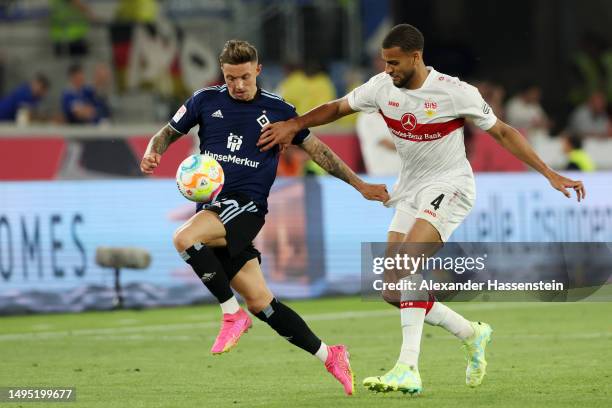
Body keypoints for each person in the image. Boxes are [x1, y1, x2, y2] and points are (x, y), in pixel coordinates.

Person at [258, 24, 585, 395]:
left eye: (394, 62)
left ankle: (407, 368)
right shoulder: (382, 87)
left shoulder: (454, 92)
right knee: (390, 288)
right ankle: (471, 333)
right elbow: (337, 107)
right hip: (410, 189)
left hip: (451, 186)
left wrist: (550, 174)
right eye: (384, 62)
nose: (388, 70)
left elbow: (504, 132)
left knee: (403, 266)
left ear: (416, 56)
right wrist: (295, 124)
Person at [139, 40, 388, 395]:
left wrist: (360, 185)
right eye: (229, 78)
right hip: (212, 211)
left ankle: (230, 314)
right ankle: (330, 354)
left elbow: (318, 151)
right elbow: (166, 133)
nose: (237, 85)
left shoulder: (279, 110)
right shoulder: (205, 101)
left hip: (246, 207)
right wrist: (153, 151)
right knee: (262, 303)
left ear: (257, 70)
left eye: (243, 77)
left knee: (183, 238)